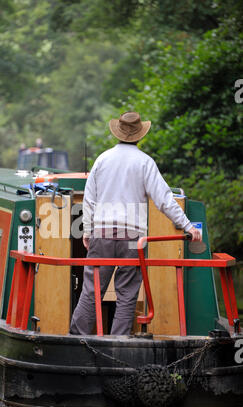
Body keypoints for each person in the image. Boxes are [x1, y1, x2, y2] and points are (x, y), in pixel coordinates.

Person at [69, 111, 201, 336]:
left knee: (91, 291)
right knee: (127, 294)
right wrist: (187, 225)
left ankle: (76, 339)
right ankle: (118, 343)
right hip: (132, 240)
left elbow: (89, 200)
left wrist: (88, 231)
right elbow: (164, 199)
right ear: (140, 135)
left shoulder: (102, 159)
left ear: (117, 133)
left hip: (101, 235)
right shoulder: (145, 162)